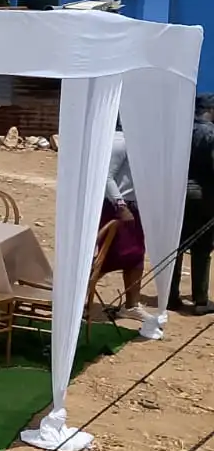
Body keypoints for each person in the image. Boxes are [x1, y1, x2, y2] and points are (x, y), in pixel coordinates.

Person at [170, 97, 214, 314]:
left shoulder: (180, 131)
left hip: (176, 194)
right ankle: (200, 300)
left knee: (175, 247)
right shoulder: (210, 134)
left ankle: (170, 296)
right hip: (202, 196)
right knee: (202, 248)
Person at [101, 128, 145, 319]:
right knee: (106, 257)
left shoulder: (141, 143)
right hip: (117, 207)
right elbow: (106, 176)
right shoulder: (119, 141)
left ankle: (131, 306)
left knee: (136, 256)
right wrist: (120, 205)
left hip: (135, 206)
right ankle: (77, 300)